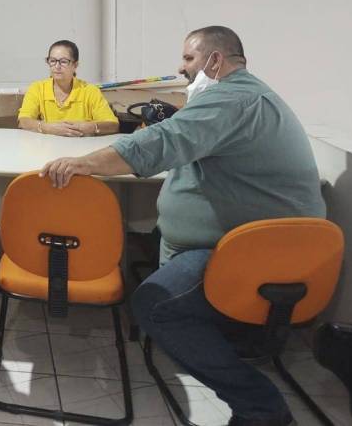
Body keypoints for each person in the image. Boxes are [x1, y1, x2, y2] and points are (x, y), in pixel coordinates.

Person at [41, 26, 325, 426]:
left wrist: (85, 162)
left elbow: (162, 140)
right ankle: (225, 339)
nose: (181, 67)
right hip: (245, 239)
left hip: (254, 250)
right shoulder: (244, 95)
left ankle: (262, 408)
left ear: (215, 61)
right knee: (156, 244)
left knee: (154, 304)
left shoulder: (232, 100)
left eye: (189, 59)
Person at [17, 39, 119, 136]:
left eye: (64, 61)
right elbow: (23, 121)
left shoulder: (89, 90)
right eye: (52, 61)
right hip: (47, 146)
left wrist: (90, 127)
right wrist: (48, 128)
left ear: (75, 65)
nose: (57, 66)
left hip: (82, 146)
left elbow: (113, 125)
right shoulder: (37, 88)